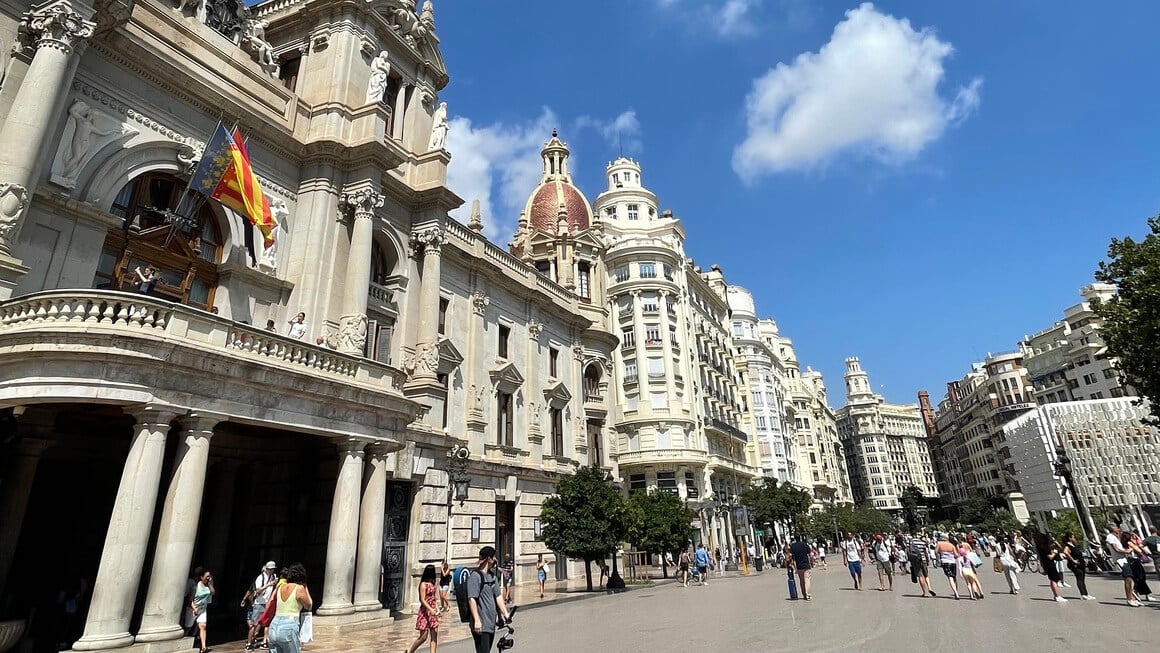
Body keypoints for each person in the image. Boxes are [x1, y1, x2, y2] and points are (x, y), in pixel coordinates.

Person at [467, 545, 513, 653]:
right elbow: (471, 599)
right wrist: (477, 620)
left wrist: (505, 614)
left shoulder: (492, 576)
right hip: (481, 625)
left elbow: (498, 596)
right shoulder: (475, 576)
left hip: (490, 623)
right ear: (489, 559)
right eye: (494, 557)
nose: (495, 559)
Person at [267, 563, 311, 653]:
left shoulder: (280, 587)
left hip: (274, 626)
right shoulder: (299, 588)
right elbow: (309, 605)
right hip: (289, 626)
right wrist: (305, 586)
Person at [243, 561, 278, 650]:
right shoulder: (260, 577)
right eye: (269, 569)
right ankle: (249, 642)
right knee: (254, 624)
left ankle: (264, 642)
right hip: (259, 602)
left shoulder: (273, 576)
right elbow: (257, 590)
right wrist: (268, 585)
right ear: (266, 569)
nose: (271, 571)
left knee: (267, 623)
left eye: (272, 569)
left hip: (268, 602)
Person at [406, 564, 440, 653]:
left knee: (434, 634)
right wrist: (430, 609)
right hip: (425, 612)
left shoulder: (433, 585)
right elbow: (422, 599)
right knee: (423, 636)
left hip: (432, 611)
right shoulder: (423, 585)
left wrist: (437, 609)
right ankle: (410, 650)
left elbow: (434, 599)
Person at [1106, 526, 1142, 606]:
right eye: (1116, 527)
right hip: (1120, 560)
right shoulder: (1110, 537)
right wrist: (1126, 551)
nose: (1118, 528)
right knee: (1127, 578)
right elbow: (1116, 549)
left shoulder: (1117, 536)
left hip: (1124, 559)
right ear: (1112, 529)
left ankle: (1132, 597)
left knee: (1130, 578)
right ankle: (1129, 599)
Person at [1032, 532, 1067, 603]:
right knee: (1054, 579)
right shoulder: (1044, 547)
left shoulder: (1039, 547)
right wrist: (1054, 552)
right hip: (1049, 564)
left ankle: (1056, 595)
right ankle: (1057, 596)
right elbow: (1050, 557)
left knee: (1053, 579)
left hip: (1045, 563)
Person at [1062, 533, 1095, 600]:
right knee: (1079, 578)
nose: (1074, 538)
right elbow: (1065, 552)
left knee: (1082, 578)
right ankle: (1083, 594)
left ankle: (1086, 594)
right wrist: (1073, 560)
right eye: (1073, 537)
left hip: (1080, 563)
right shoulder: (1067, 546)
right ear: (1070, 538)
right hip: (1075, 564)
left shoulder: (1073, 545)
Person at [190, 567, 214, 653]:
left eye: (209, 576)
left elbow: (212, 592)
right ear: (201, 577)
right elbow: (190, 599)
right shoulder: (196, 586)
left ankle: (203, 647)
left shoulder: (208, 585)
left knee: (203, 625)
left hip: (203, 609)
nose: (208, 578)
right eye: (207, 576)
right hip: (193, 608)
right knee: (188, 627)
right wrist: (194, 608)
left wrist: (210, 584)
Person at [934, 534, 960, 599]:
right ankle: (956, 591)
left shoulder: (939, 544)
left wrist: (941, 553)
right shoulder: (951, 545)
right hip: (953, 562)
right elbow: (956, 555)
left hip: (945, 562)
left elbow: (935, 552)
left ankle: (955, 592)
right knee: (954, 577)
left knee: (950, 577)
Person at [789, 534, 812, 600]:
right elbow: (809, 553)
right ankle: (808, 594)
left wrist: (793, 566)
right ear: (800, 537)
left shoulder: (793, 546)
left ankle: (804, 594)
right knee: (807, 580)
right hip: (806, 565)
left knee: (801, 581)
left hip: (799, 566)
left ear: (795, 538)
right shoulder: (805, 544)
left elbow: (792, 557)